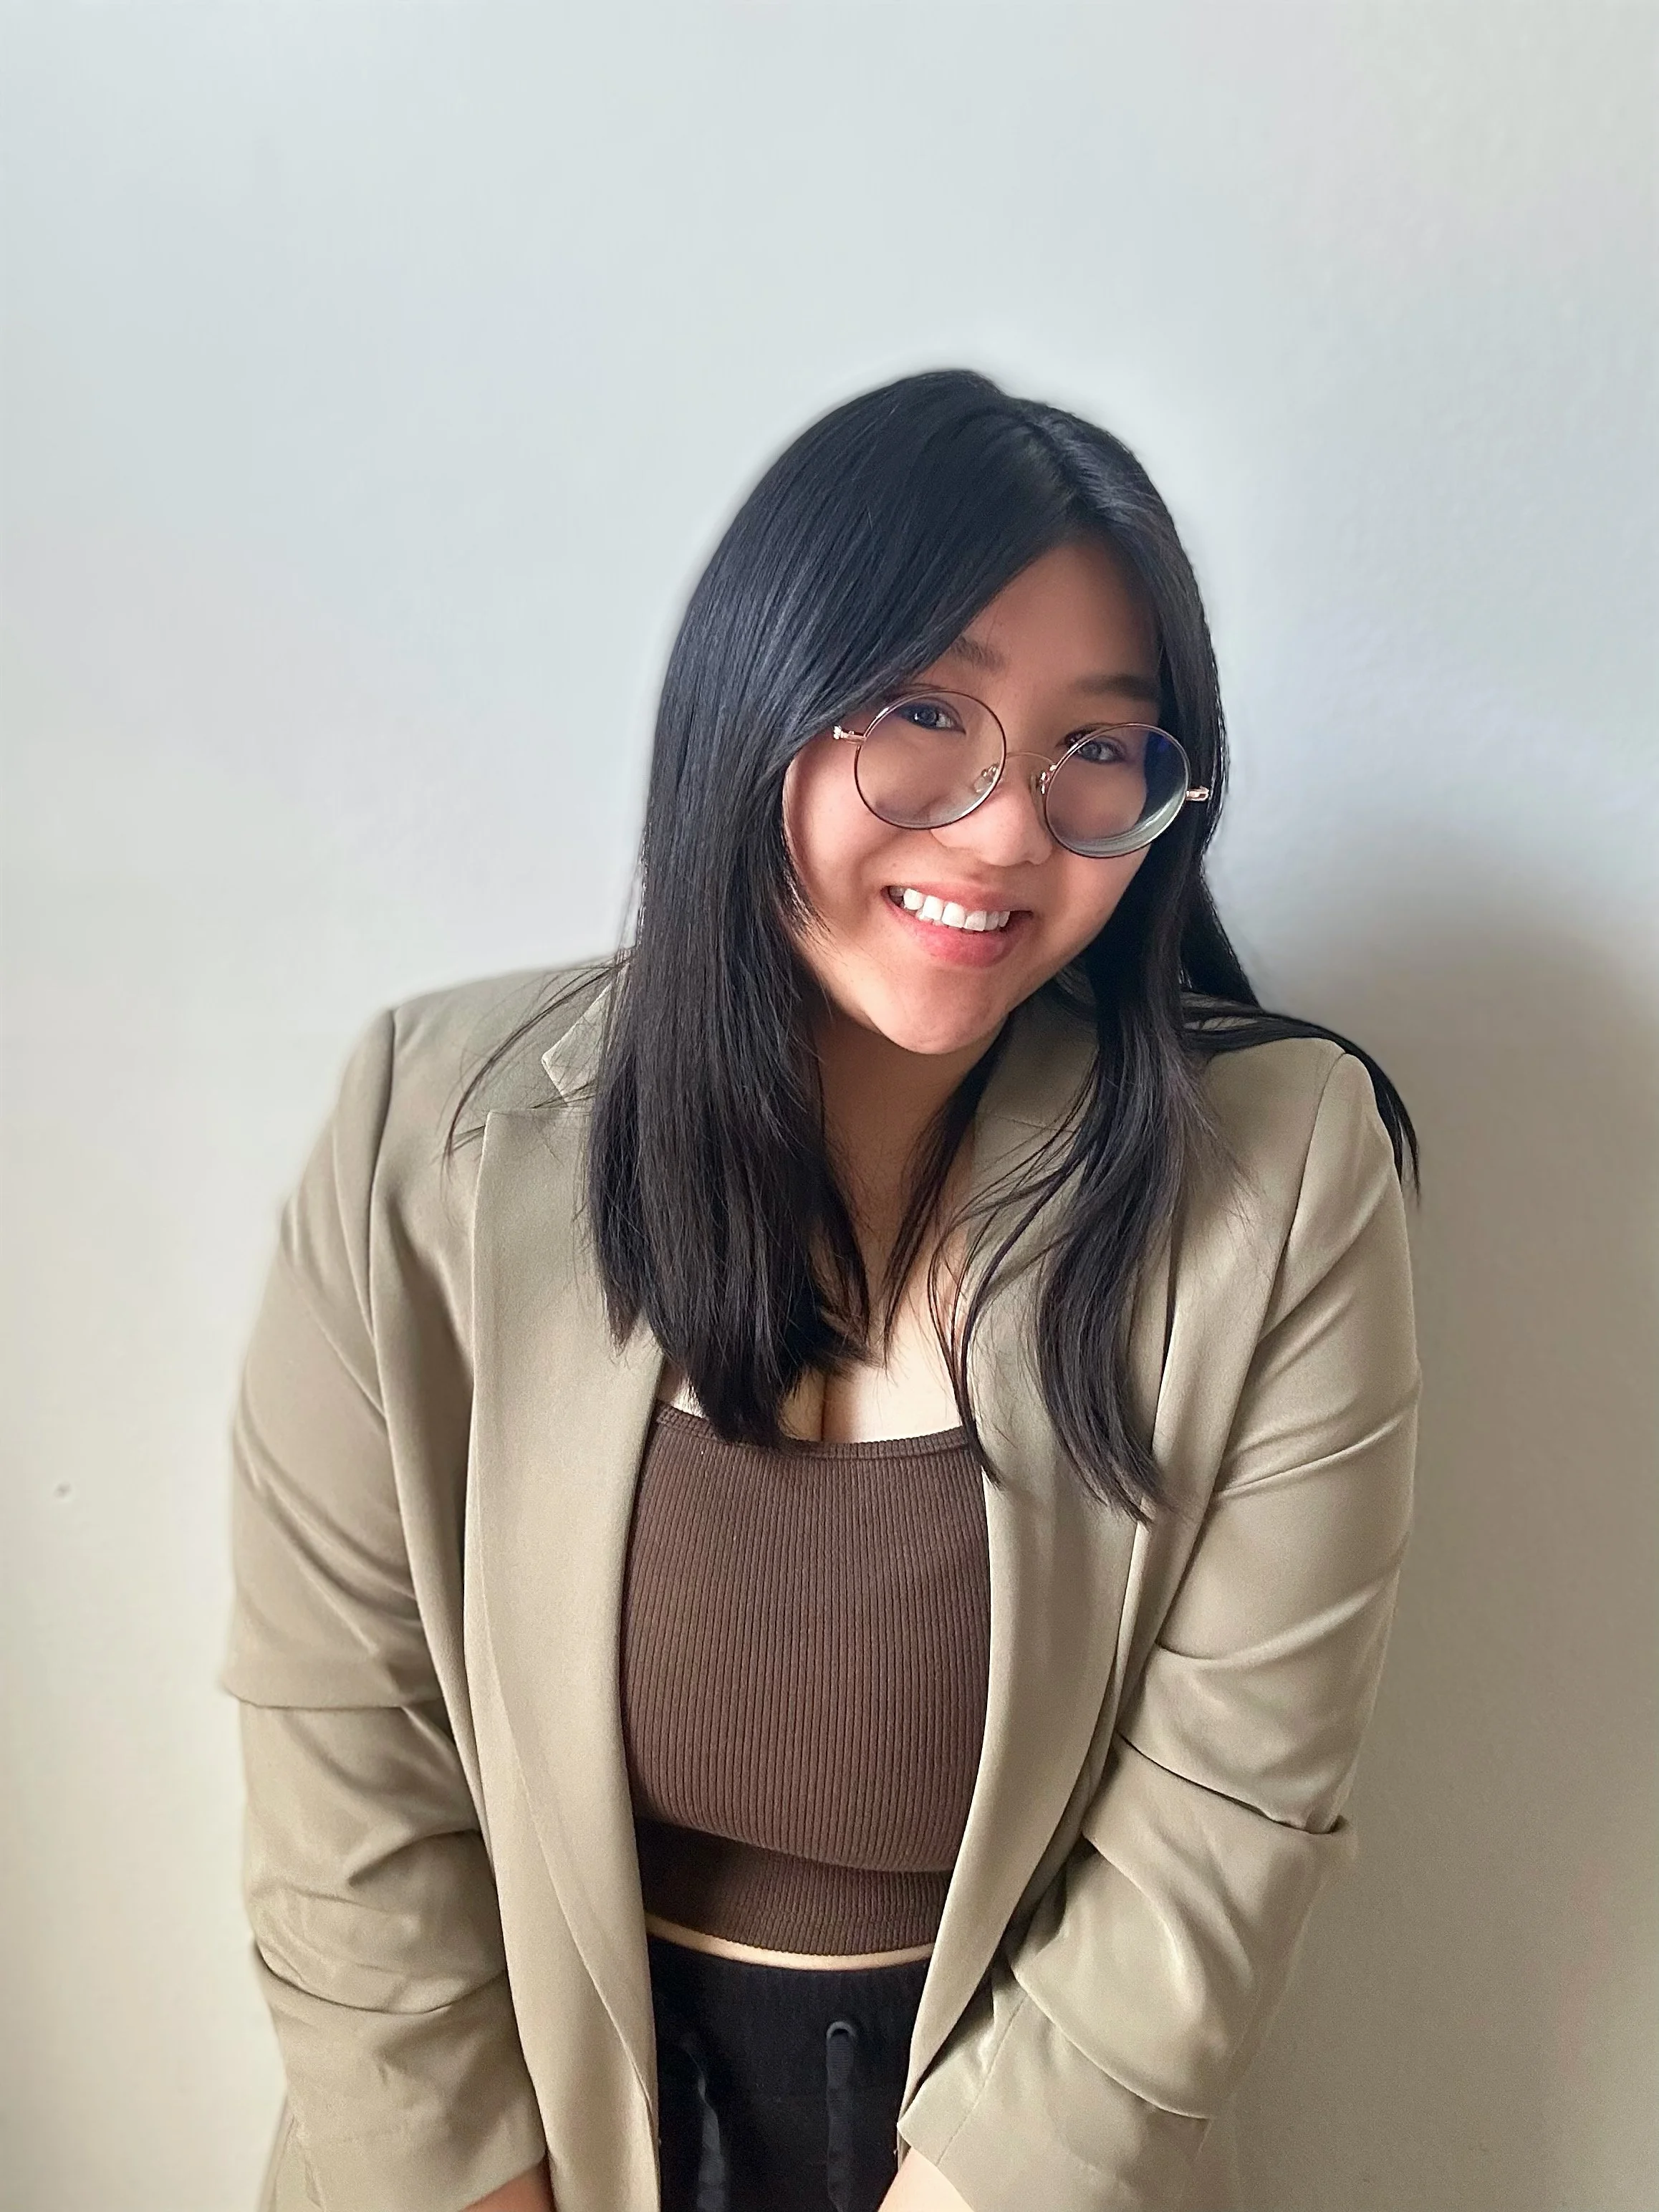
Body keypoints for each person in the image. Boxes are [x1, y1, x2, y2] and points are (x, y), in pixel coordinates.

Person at [221, 368, 1421, 2212]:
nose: (1011, 827)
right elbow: (340, 1755)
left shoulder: (1280, 1175)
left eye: (1103, 746)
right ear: (753, 707)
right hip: (514, 2137)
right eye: (928, 711)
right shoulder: (436, 1131)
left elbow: (1225, 1824)